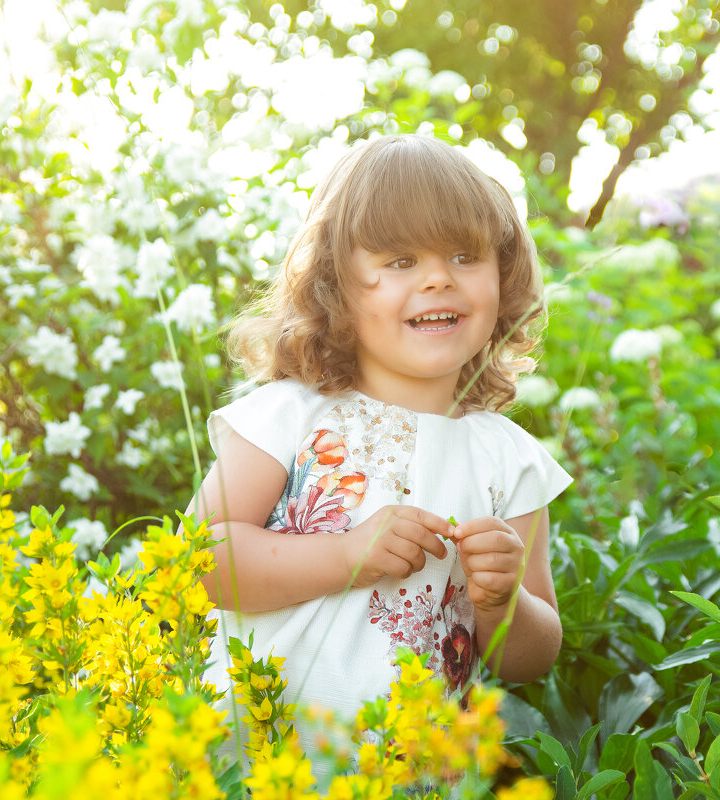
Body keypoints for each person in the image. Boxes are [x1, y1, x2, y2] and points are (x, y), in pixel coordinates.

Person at [190, 134, 571, 766]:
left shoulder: (509, 457)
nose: (438, 279)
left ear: (502, 277)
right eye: (400, 262)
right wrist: (343, 554)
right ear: (336, 283)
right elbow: (199, 562)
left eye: (463, 254)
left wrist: (503, 603)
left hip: (413, 771)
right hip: (260, 758)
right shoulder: (291, 413)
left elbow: (531, 657)